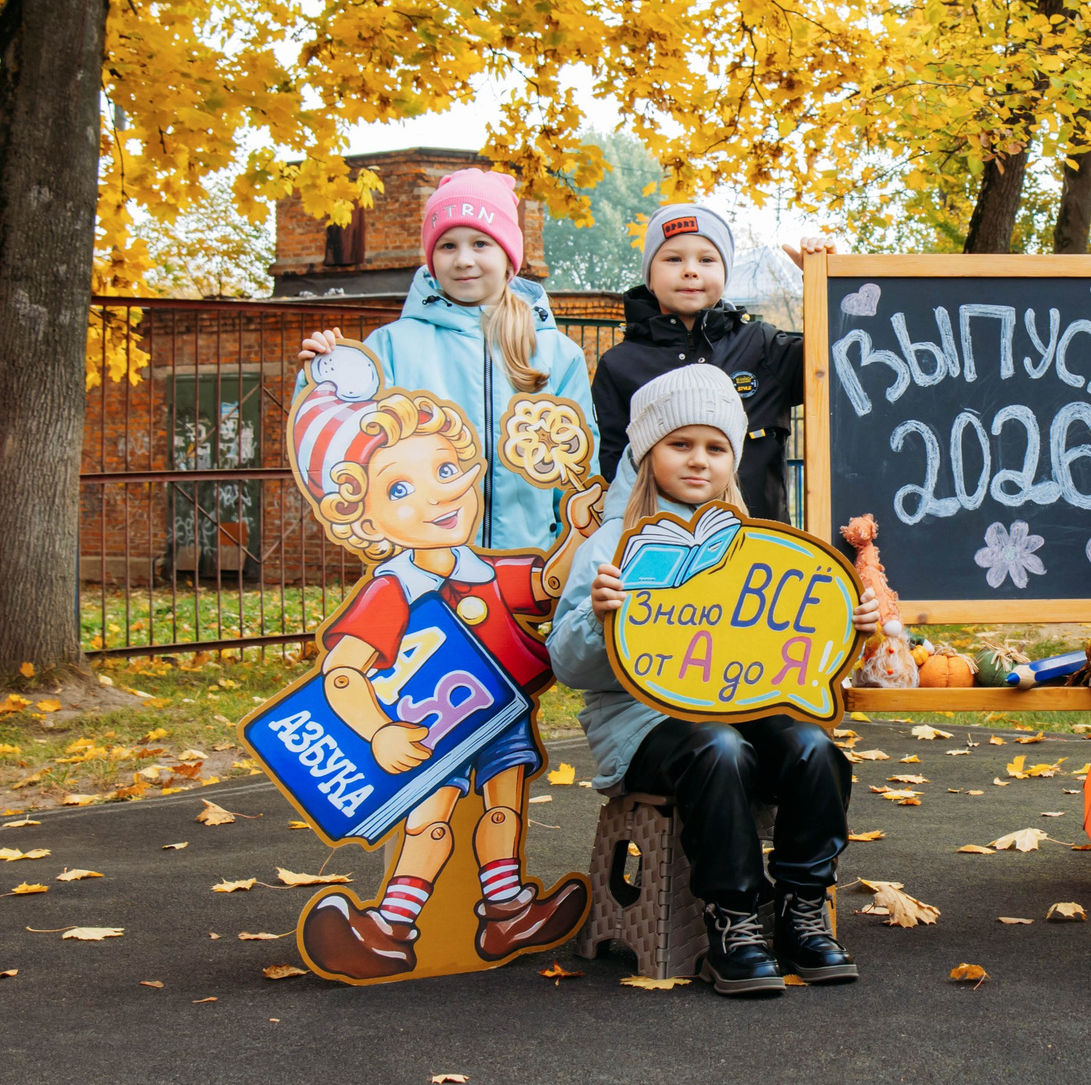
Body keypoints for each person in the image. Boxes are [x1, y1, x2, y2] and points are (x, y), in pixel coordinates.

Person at [548, 366, 886, 997]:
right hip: (645, 727)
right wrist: (598, 619)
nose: (699, 461)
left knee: (814, 749)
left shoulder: (755, 549)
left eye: (716, 447)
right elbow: (569, 668)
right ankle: (732, 920)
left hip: (746, 706)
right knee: (718, 747)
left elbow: (796, 639)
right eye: (680, 445)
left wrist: (851, 621)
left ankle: (800, 907)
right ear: (649, 454)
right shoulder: (613, 548)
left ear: (734, 458)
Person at [287, 346, 590, 979]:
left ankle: (507, 912)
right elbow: (342, 671)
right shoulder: (393, 589)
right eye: (400, 487)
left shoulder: (489, 568)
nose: (437, 494)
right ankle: (390, 926)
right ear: (361, 516)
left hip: (498, 711)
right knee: (429, 823)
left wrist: (580, 534)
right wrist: (379, 731)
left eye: (446, 468)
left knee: (504, 806)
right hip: (427, 729)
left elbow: (550, 586)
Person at [299, 167, 597, 553]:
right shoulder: (391, 346)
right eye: (448, 245)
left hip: (531, 568)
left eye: (480, 244)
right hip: (425, 571)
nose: (463, 260)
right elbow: (341, 443)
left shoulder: (558, 353)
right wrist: (322, 377)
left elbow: (579, 471)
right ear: (431, 257)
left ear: (509, 258)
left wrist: (566, 556)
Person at [590, 202, 832, 523]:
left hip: (761, 553)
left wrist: (824, 281)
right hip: (660, 554)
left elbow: (843, 364)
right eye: (673, 258)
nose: (690, 270)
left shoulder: (763, 346)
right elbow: (611, 467)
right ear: (649, 273)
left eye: (706, 259)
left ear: (725, 272)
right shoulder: (619, 364)